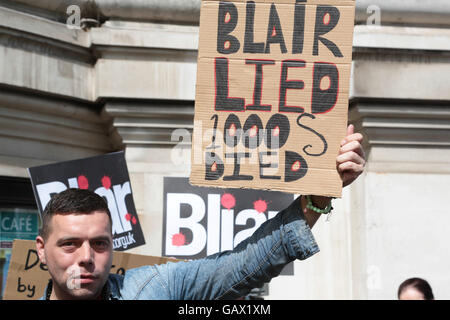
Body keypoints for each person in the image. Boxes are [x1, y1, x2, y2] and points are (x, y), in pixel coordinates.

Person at [36, 125, 366, 300]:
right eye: (69, 244)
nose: (86, 257)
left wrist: (320, 193)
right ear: (41, 250)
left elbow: (245, 265)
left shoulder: (153, 289)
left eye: (99, 244)